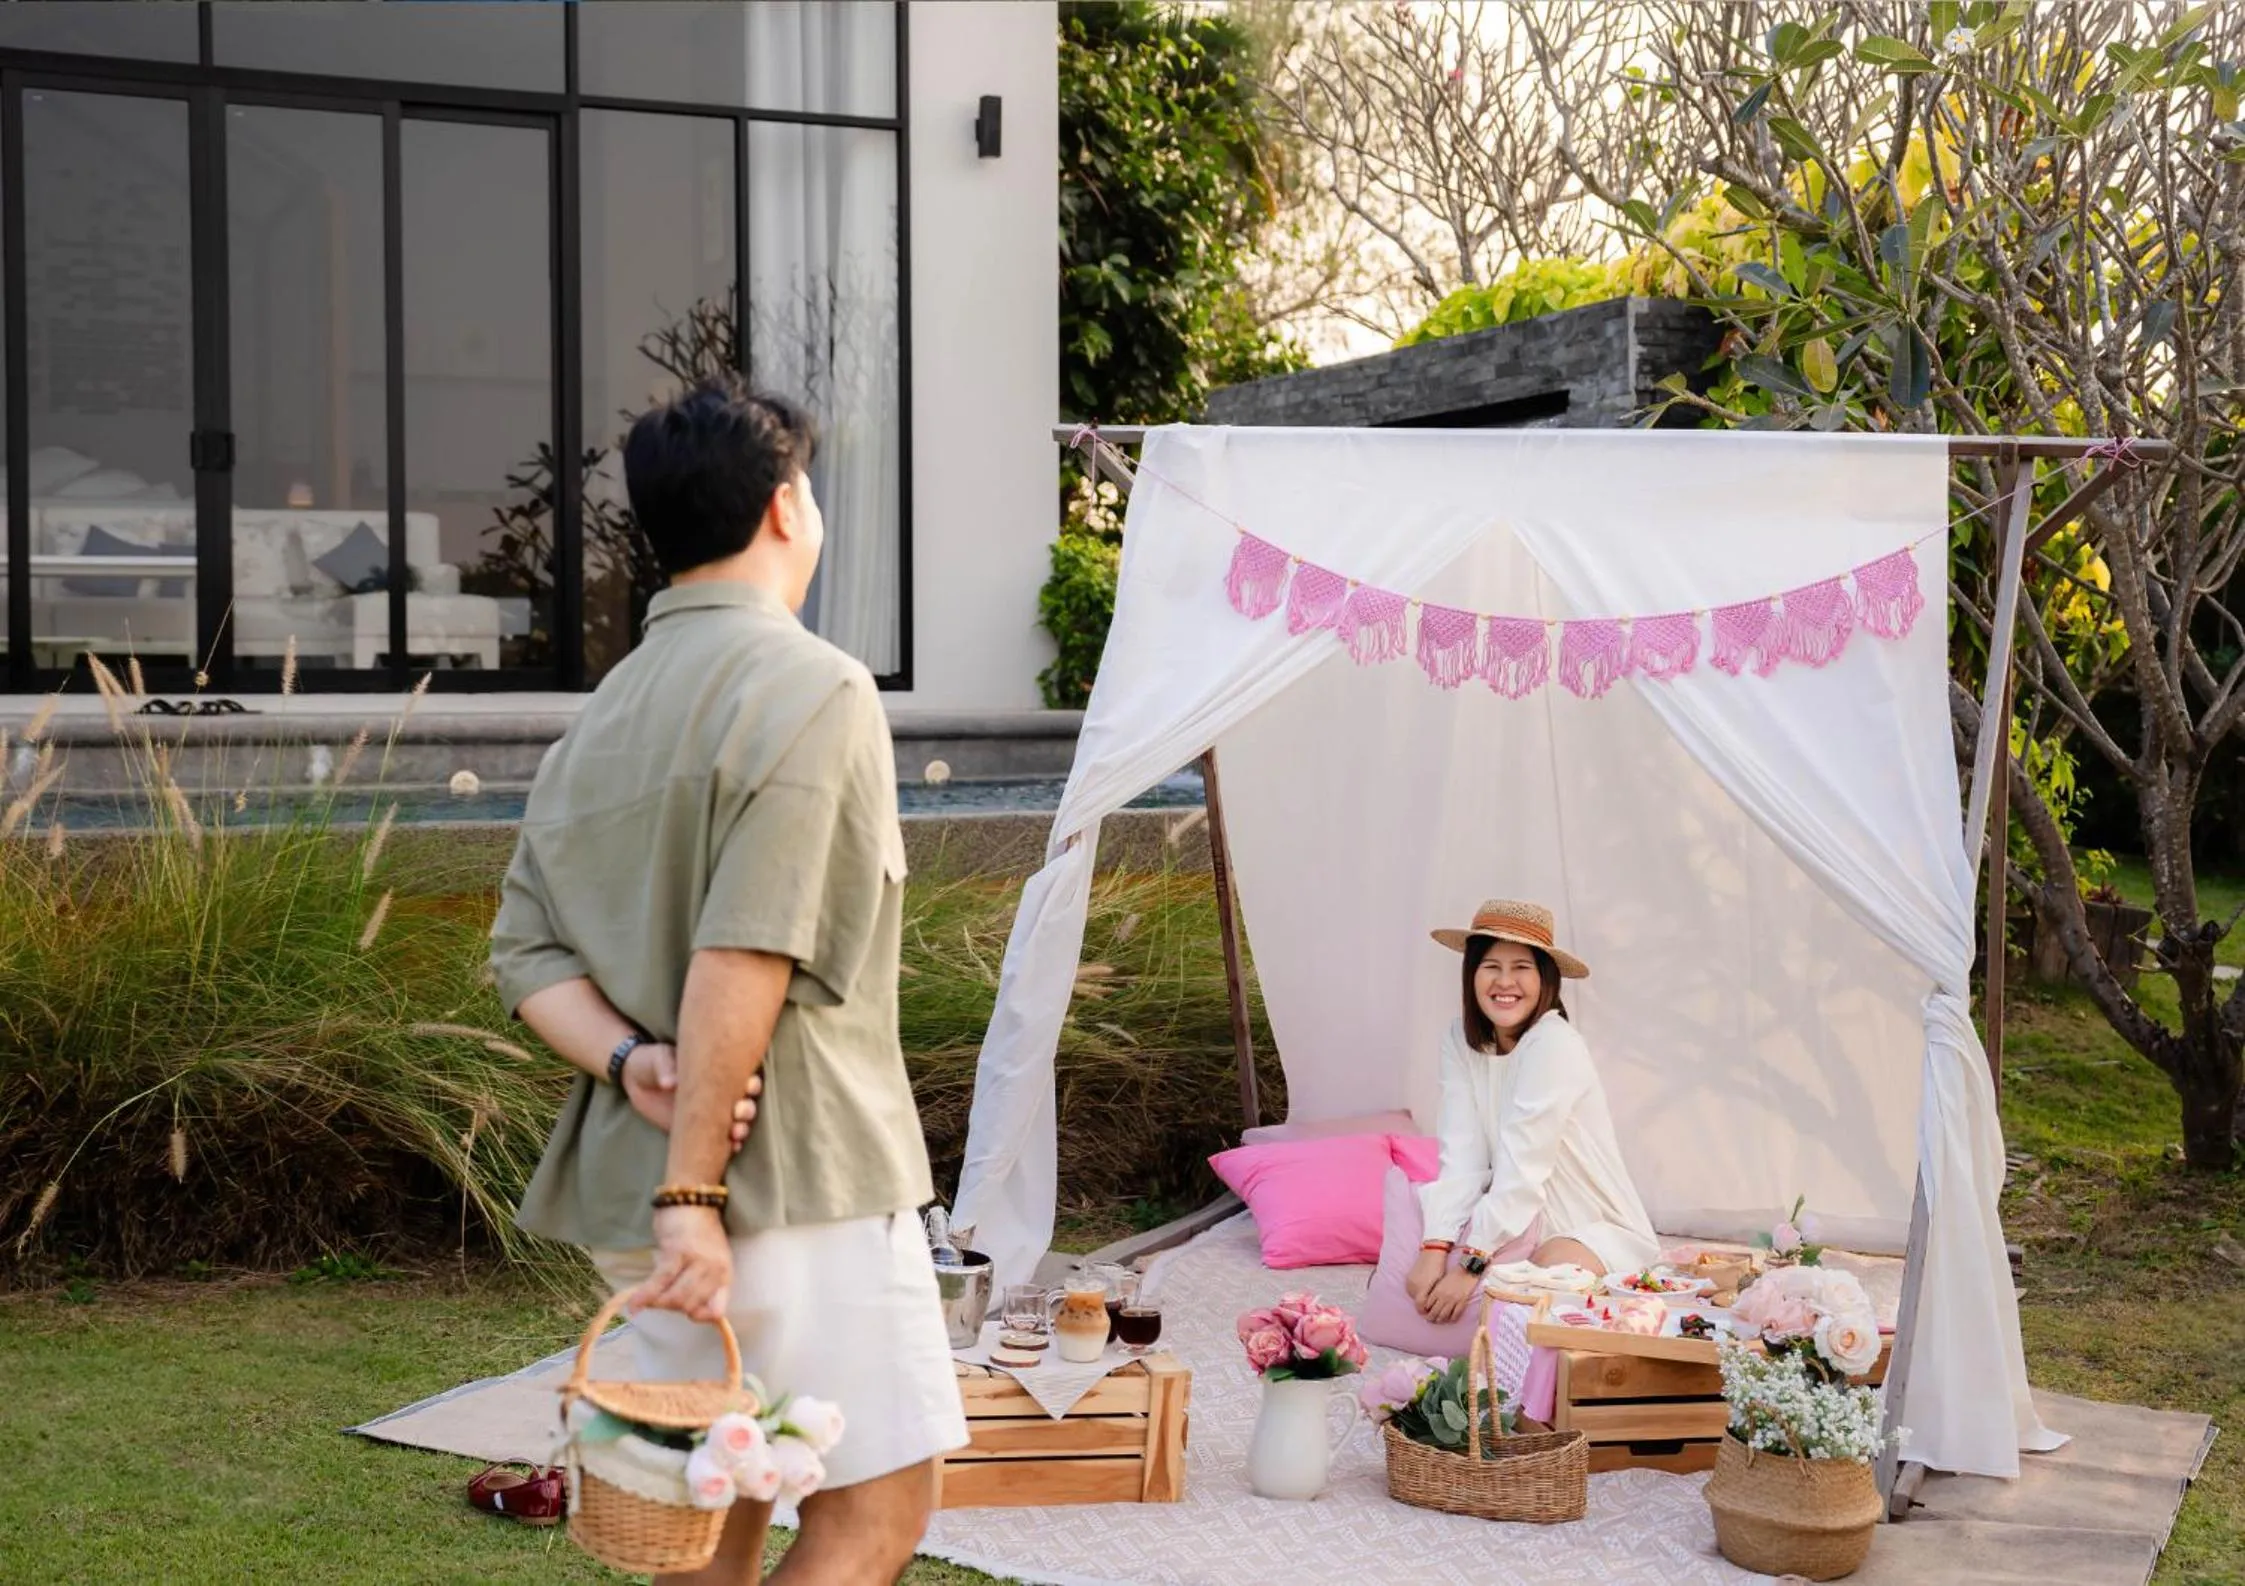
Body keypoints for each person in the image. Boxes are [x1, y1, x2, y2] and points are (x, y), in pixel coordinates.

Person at [489, 376, 966, 1585]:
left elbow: (527, 955)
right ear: (785, 505)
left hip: (649, 1177)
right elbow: (744, 945)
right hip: (788, 1177)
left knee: (722, 1497)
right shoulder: (815, 685)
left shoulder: (591, 725)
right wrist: (693, 1190)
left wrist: (630, 1061)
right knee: (874, 1506)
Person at [1406, 899, 1659, 1327]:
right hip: (1514, 1221)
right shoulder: (1459, 1039)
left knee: (1526, 1297)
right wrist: (1435, 1248)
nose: (1506, 982)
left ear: (1546, 978)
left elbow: (1524, 1166)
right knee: (1427, 1279)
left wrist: (1469, 1267)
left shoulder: (1553, 1044)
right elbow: (1461, 1151)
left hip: (1587, 1223)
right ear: (1472, 975)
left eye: (1521, 967)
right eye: (1491, 967)